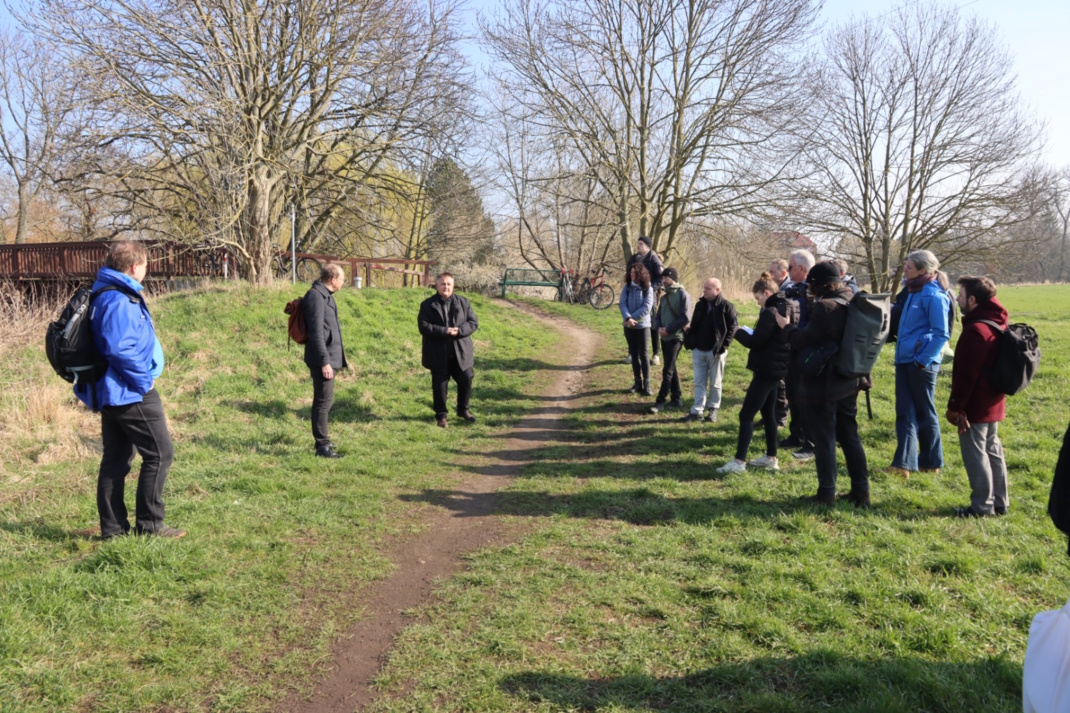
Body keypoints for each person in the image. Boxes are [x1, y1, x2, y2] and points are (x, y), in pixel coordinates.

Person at [75, 240, 185, 538]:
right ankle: (150, 525)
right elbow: (119, 348)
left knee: (116, 459)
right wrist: (143, 381)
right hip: (129, 390)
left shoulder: (107, 292)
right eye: (146, 265)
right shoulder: (118, 300)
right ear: (135, 267)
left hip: (112, 390)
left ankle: (113, 529)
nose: (147, 271)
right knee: (160, 454)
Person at [775, 262, 871, 506]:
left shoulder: (826, 307)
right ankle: (861, 492)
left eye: (811, 284)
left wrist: (786, 327)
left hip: (825, 384)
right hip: (850, 378)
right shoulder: (852, 297)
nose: (808, 288)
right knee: (850, 436)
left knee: (825, 438)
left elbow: (804, 341)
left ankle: (826, 494)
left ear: (821, 284)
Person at [716, 273, 795, 474]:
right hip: (779, 368)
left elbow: (756, 341)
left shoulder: (770, 311)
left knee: (746, 415)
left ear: (767, 293)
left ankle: (739, 462)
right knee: (769, 413)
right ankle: (771, 457)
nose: (758, 303)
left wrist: (738, 332)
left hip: (766, 369)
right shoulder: (792, 306)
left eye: (758, 298)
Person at [946, 276, 1010, 517]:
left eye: (960, 295)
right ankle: (1000, 502)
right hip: (994, 399)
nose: (957, 299)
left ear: (972, 300)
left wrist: (956, 407)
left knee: (976, 454)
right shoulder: (997, 322)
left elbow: (965, 375)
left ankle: (982, 507)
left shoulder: (976, 330)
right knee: (993, 450)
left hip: (975, 404)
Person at [888, 249, 951, 477]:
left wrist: (922, 361)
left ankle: (931, 462)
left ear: (923, 271)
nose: (904, 269)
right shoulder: (913, 291)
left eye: (909, 267)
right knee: (905, 413)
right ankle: (903, 465)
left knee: (925, 413)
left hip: (921, 365)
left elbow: (941, 334)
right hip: (905, 361)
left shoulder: (933, 295)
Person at [418, 272, 479, 428]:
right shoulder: (427, 304)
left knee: (466, 379)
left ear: (453, 286)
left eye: (449, 284)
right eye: (443, 284)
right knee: (440, 385)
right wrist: (445, 331)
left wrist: (459, 330)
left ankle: (463, 410)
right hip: (438, 353)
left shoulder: (464, 303)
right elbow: (424, 326)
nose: (446, 287)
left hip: (461, 352)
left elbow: (473, 322)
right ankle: (441, 415)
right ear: (437, 285)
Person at [303, 263, 349, 457]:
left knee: (325, 401)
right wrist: (324, 362)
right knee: (323, 402)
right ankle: (322, 446)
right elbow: (315, 334)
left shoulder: (325, 295)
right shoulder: (315, 296)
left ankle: (323, 443)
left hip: (329, 358)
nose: (343, 282)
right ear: (332, 279)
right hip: (323, 360)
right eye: (342, 279)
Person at [681, 277, 737, 423]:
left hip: (715, 351)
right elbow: (695, 324)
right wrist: (690, 337)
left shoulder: (727, 307)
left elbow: (732, 329)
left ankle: (713, 409)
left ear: (717, 290)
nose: (704, 290)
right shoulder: (700, 305)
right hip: (698, 349)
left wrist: (722, 347)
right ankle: (697, 410)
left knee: (715, 382)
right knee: (699, 381)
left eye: (707, 288)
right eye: (704, 288)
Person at [780, 249, 817, 459]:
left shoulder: (812, 291)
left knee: (805, 398)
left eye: (791, 266)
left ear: (802, 268)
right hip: (792, 347)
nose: (788, 269)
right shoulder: (792, 289)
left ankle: (810, 442)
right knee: (792, 395)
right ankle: (796, 435)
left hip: (806, 351)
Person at [649, 267, 693, 413]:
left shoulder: (683, 294)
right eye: (662, 278)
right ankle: (676, 398)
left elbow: (685, 317)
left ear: (673, 278)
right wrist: (660, 327)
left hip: (676, 338)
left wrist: (669, 329)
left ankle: (660, 402)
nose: (663, 281)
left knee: (667, 370)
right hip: (664, 337)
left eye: (666, 278)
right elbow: (659, 315)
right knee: (671, 366)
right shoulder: (664, 297)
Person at [627, 236, 664, 364]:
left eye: (641, 244)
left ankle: (655, 354)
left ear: (648, 246)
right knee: (631, 321)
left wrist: (649, 288)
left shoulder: (653, 259)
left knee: (652, 324)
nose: (638, 246)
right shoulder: (633, 259)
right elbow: (628, 275)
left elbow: (661, 279)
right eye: (637, 244)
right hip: (633, 294)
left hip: (649, 296)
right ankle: (632, 353)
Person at [619, 263, 655, 396]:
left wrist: (632, 318)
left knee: (644, 355)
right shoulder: (627, 287)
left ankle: (647, 383)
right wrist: (628, 319)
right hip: (628, 327)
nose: (632, 274)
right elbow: (622, 303)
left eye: (634, 272)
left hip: (643, 327)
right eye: (631, 272)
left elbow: (647, 307)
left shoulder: (648, 288)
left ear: (641, 274)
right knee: (634, 355)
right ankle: (637, 382)